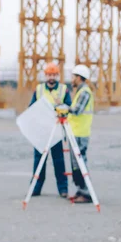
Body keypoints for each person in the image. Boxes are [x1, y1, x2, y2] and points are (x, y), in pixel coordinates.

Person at [29, 62, 71, 198]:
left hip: (57, 130)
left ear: (58, 76)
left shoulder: (64, 90)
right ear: (45, 76)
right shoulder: (39, 89)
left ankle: (63, 189)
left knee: (59, 161)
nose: (51, 78)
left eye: (53, 75)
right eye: (49, 75)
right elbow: (32, 107)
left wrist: (61, 105)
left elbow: (69, 108)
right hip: (42, 131)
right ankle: (35, 188)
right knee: (38, 161)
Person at [67, 64, 95, 203]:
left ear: (79, 77)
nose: (71, 79)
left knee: (80, 163)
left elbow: (76, 110)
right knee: (76, 164)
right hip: (75, 132)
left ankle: (86, 193)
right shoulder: (80, 91)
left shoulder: (84, 92)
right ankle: (80, 190)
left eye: (73, 76)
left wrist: (63, 108)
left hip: (80, 133)